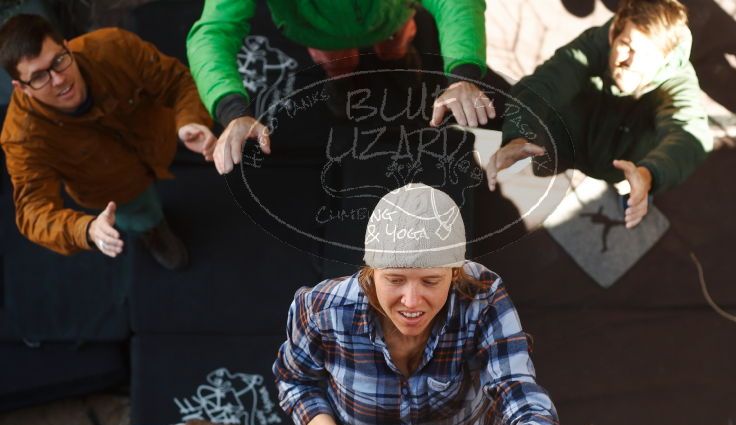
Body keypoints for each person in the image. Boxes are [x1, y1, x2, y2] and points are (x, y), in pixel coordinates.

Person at [273, 184, 560, 425]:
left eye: (430, 281)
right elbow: (296, 381)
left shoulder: (482, 298)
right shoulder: (322, 310)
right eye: (395, 280)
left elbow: (523, 398)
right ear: (371, 271)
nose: (411, 301)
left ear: (454, 273)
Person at [0, 14, 216, 269]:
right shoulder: (21, 137)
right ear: (21, 87)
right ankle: (152, 231)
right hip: (115, 191)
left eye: (59, 60)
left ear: (67, 47)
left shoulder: (113, 47)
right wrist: (87, 229)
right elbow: (32, 212)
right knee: (140, 215)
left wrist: (190, 120)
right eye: (38, 77)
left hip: (161, 141)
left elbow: (178, 82)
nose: (59, 80)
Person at [186, 0, 496, 175]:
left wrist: (462, 75)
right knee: (338, 65)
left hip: (389, 16)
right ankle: (342, 83)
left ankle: (400, 65)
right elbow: (213, 31)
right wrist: (232, 110)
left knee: (395, 50)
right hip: (320, 34)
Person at [487, 0, 713, 229]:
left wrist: (649, 175)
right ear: (613, 34)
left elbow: (688, 134)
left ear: (666, 59)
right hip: (567, 143)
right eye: (627, 44)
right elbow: (545, 83)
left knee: (633, 187)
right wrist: (519, 133)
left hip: (621, 167)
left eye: (647, 54)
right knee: (544, 168)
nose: (631, 63)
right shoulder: (593, 46)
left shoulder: (678, 84)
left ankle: (636, 190)